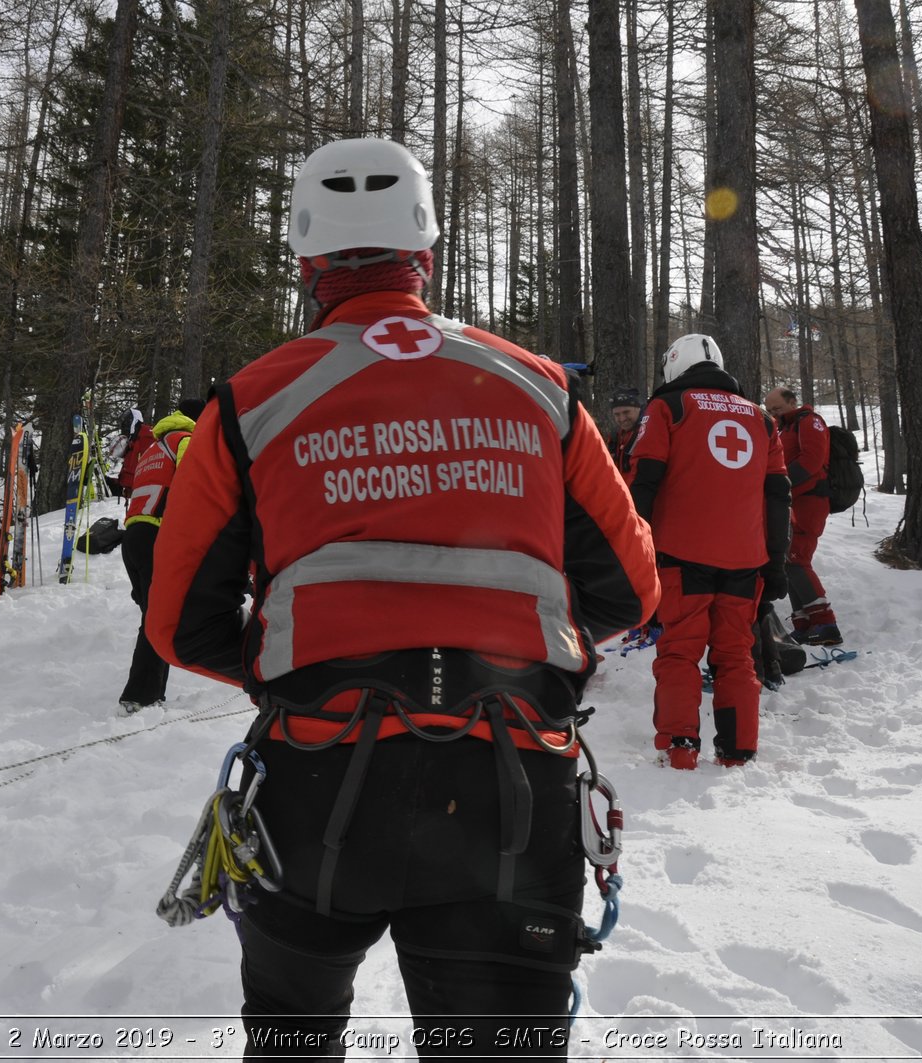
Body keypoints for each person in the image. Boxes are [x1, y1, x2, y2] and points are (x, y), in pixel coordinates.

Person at [145, 138, 659, 1056]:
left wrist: (296, 668)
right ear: (427, 247)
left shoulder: (249, 404)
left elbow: (181, 619)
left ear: (307, 260)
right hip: (510, 778)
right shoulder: (541, 392)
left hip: (314, 778)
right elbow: (630, 586)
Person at [629, 334, 790, 769]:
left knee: (680, 652)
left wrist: (632, 549)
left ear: (674, 366)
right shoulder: (762, 419)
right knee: (736, 654)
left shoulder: (669, 408)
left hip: (682, 555)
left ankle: (680, 749)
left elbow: (643, 479)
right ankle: (738, 750)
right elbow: (778, 496)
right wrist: (776, 562)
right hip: (746, 560)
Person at [117, 398, 204, 716]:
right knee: (159, 619)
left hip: (133, 538)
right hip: (157, 536)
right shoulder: (185, 441)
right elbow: (197, 482)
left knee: (154, 617)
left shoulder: (151, 449)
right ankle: (140, 697)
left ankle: (147, 693)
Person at [762, 386, 843, 646]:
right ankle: (805, 623)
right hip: (791, 504)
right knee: (788, 562)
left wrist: (781, 483)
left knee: (797, 560)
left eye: (778, 408)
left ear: (793, 402)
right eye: (770, 409)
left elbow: (812, 460)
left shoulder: (810, 422)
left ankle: (826, 623)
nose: (774, 413)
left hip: (809, 503)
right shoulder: (784, 427)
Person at [607, 388, 643, 477]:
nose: (622, 418)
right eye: (617, 414)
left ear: (638, 409)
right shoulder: (615, 437)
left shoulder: (648, 432)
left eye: (626, 412)